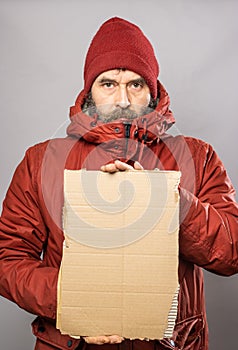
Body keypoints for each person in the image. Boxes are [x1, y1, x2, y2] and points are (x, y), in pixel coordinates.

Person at [0, 16, 237, 350]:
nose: (123, 99)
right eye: (108, 83)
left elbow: (231, 252)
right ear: (90, 90)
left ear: (152, 91)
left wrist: (168, 201)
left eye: (136, 84)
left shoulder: (198, 157)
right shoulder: (40, 161)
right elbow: (7, 258)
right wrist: (74, 303)